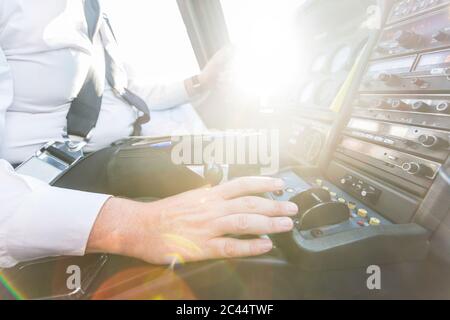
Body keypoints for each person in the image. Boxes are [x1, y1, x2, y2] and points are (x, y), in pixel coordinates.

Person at [0, 0, 297, 268]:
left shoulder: (92, 10)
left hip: (114, 149)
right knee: (202, 181)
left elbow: (126, 92)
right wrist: (137, 225)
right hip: (47, 177)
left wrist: (200, 82)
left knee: (249, 147)